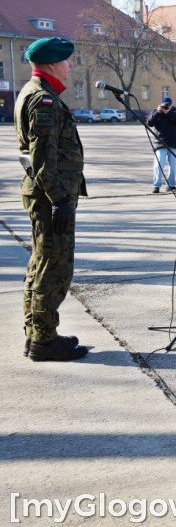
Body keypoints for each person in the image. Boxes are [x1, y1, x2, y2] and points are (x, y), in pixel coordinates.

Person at [16, 37, 89, 361]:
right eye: (65, 61)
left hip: (46, 194)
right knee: (53, 267)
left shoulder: (36, 93)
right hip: (50, 197)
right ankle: (44, 341)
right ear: (50, 65)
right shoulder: (43, 100)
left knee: (41, 264)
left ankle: (38, 333)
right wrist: (60, 200)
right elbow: (43, 157)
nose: (69, 66)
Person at [148, 96, 176, 193]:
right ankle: (156, 186)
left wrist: (169, 113)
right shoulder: (156, 112)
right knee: (158, 164)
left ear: (171, 105)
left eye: (168, 106)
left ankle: (170, 185)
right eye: (164, 105)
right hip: (160, 142)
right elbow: (150, 123)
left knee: (173, 165)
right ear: (160, 105)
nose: (166, 107)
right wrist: (157, 112)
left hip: (174, 143)